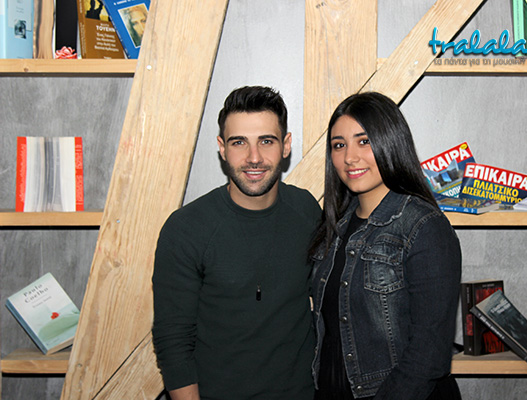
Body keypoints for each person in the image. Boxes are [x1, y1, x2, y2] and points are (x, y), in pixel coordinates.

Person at [152, 86, 321, 400]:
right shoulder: (186, 228)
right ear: (222, 148)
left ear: (286, 145)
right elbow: (173, 340)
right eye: (239, 142)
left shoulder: (307, 211)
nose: (254, 158)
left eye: (266, 141)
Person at [309, 92, 462, 400]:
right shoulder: (335, 227)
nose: (350, 157)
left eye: (364, 141)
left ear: (390, 142)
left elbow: (429, 354)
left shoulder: (424, 227)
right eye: (339, 145)